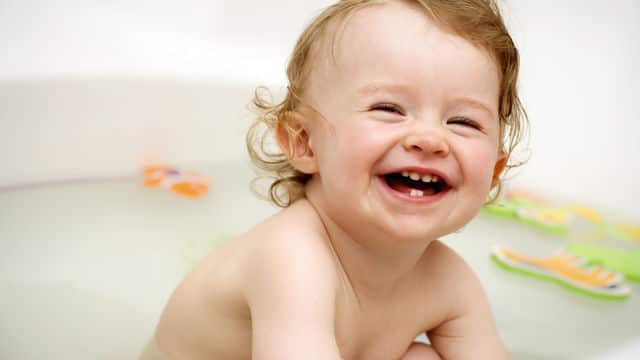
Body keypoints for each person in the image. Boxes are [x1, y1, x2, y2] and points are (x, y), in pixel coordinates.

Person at [142, 0, 526, 358]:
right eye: (389, 109)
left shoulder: (450, 281)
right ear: (305, 142)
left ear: (493, 172)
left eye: (463, 122)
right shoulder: (291, 257)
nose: (430, 139)